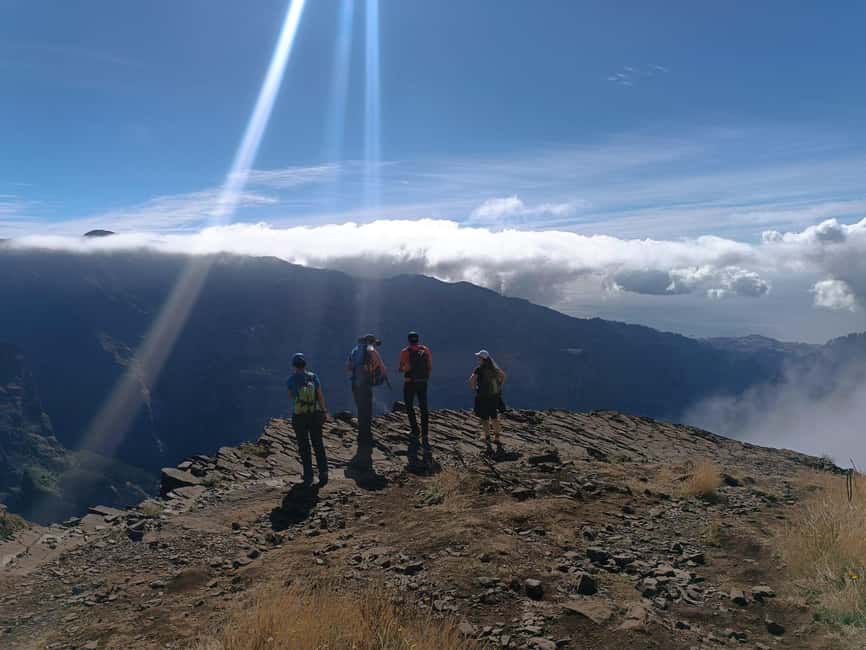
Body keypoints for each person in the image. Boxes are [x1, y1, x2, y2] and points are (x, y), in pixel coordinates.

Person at [286, 353, 328, 487]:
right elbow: (320, 395)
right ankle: (323, 472)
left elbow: (291, 396)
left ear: (294, 365)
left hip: (299, 416)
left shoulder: (291, 379)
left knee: (304, 446)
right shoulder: (313, 377)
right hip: (314, 414)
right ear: (305, 364)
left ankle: (308, 476)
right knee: (318, 444)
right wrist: (323, 411)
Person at [346, 334, 388, 467]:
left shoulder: (354, 351)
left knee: (360, 409)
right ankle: (366, 438)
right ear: (371, 342)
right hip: (365, 384)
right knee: (367, 410)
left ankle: (361, 437)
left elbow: (349, 368)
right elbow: (382, 367)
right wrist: (380, 376)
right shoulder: (371, 349)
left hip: (355, 384)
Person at [399, 331, 432, 461]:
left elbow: (403, 368)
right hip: (423, 382)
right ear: (418, 340)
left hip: (410, 383)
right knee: (424, 407)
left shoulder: (405, 352)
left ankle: (415, 431)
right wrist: (425, 377)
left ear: (408, 340)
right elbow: (429, 366)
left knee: (409, 406)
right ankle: (425, 434)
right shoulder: (425, 350)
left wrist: (402, 370)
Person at [468, 349, 506, 451]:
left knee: (484, 418)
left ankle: (487, 437)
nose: (478, 359)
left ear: (482, 359)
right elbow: (503, 376)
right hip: (494, 397)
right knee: (494, 417)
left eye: (478, 357)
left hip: (483, 397)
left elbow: (471, 381)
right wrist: (499, 386)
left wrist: (475, 388)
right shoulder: (494, 368)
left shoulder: (479, 369)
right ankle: (497, 437)